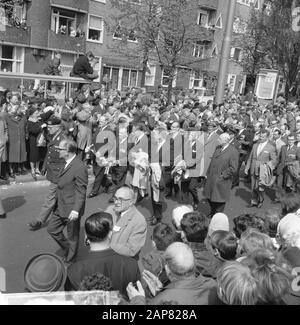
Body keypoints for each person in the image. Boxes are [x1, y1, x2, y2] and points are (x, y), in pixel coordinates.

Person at [65, 212, 140, 297]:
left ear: (86, 236)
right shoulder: (131, 265)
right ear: (110, 234)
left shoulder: (73, 270)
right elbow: (137, 296)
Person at [127, 242, 220, 305]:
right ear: (194, 264)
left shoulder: (162, 301)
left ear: (167, 269)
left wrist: (137, 300)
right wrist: (160, 292)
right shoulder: (213, 284)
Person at [47, 138, 88, 264]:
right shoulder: (67, 162)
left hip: (71, 209)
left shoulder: (79, 167)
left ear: (68, 151)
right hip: (60, 206)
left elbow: (81, 191)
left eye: (60, 149)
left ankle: (71, 260)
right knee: (52, 229)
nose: (58, 150)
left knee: (72, 236)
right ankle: (68, 248)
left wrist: (76, 210)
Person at [28, 116, 66, 231]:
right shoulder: (53, 136)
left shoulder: (63, 140)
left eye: (50, 127)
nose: (48, 129)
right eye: (48, 127)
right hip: (53, 171)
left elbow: (68, 159)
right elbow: (49, 153)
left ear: (58, 127)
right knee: (60, 198)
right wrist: (44, 166)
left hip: (59, 174)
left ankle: (40, 220)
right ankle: (62, 216)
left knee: (50, 197)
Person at [105, 185, 147, 258]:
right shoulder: (110, 209)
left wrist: (104, 244)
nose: (116, 202)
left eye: (121, 199)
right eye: (115, 198)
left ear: (131, 202)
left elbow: (131, 250)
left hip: (121, 262)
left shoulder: (139, 221)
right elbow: (98, 224)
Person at [204, 133, 239, 217]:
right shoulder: (218, 148)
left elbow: (233, 168)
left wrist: (223, 175)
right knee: (210, 197)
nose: (217, 140)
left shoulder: (233, 151)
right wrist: (207, 173)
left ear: (225, 140)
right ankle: (213, 212)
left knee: (219, 199)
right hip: (212, 178)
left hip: (222, 180)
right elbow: (212, 161)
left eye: (219, 139)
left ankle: (217, 215)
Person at [181, 211, 222, 278]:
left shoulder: (183, 256)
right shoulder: (216, 250)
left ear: (184, 235)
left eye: (182, 230)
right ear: (206, 233)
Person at [245, 129, 277, 208]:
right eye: (260, 136)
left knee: (260, 188)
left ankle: (261, 199)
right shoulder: (255, 145)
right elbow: (251, 157)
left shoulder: (271, 147)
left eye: (263, 137)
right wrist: (247, 167)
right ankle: (253, 201)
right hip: (253, 168)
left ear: (267, 137)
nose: (261, 138)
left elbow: (274, 161)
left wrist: (267, 167)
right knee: (253, 186)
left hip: (262, 171)